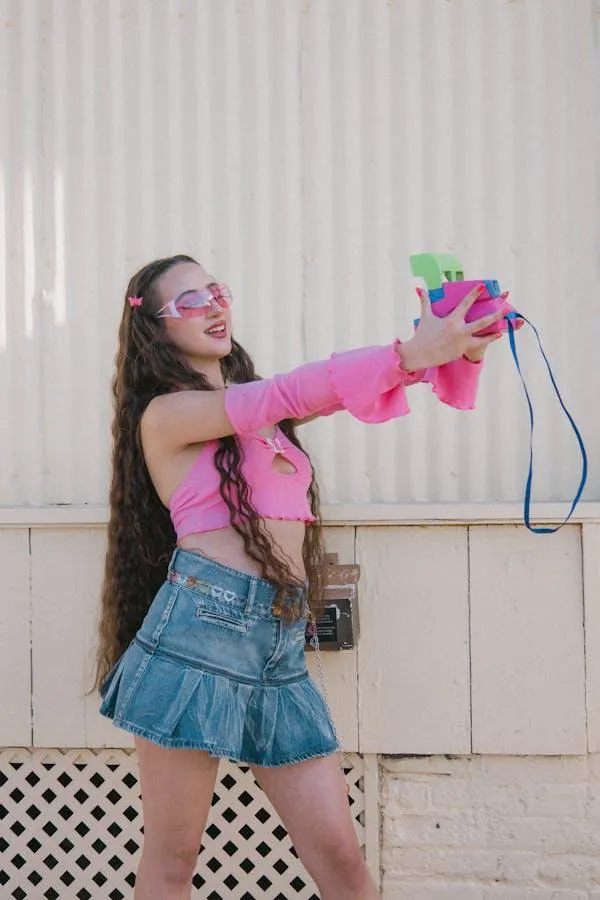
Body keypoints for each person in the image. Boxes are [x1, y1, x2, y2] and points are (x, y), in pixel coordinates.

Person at [91, 254, 509, 900]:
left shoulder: (262, 426)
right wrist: (408, 351)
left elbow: (345, 391)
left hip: (278, 644)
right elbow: (291, 392)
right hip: (198, 638)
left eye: (217, 291)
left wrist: (457, 344)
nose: (213, 305)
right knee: (174, 860)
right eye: (190, 301)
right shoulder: (166, 416)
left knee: (343, 862)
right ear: (154, 328)